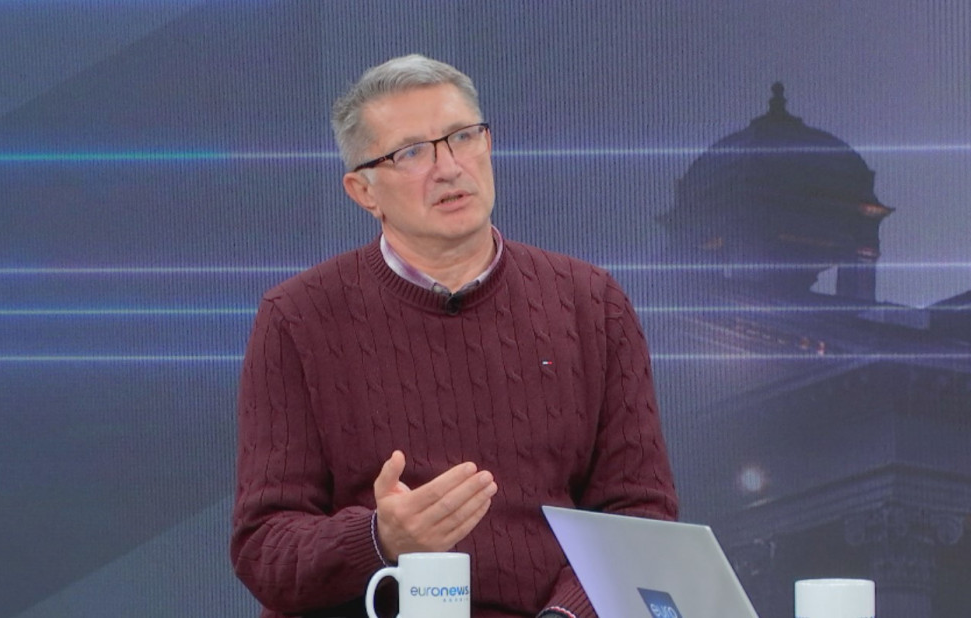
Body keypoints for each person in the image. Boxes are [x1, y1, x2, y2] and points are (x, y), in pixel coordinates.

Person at [231, 53, 678, 618]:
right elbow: (264, 548)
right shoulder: (297, 317)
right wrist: (379, 539)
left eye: (463, 137)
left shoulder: (592, 303)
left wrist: (566, 617)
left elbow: (640, 518)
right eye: (411, 152)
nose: (448, 168)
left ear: (488, 144)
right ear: (363, 191)